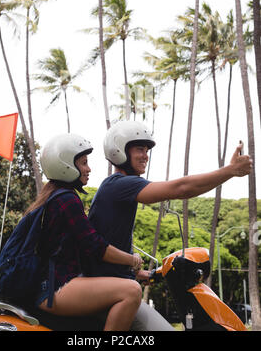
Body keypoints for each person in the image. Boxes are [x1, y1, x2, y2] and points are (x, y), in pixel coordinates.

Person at [86, 120, 253, 331]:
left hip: (113, 287)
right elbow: (182, 188)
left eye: (147, 150)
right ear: (119, 150)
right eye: (139, 149)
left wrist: (143, 274)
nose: (146, 155)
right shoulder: (119, 185)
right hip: (110, 292)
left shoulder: (115, 187)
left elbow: (106, 245)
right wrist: (230, 171)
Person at [26, 133, 143, 331]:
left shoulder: (54, 196)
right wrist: (132, 260)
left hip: (53, 284)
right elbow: (95, 246)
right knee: (131, 291)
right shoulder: (67, 200)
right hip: (56, 287)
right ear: (65, 165)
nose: (88, 169)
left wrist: (137, 271)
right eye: (83, 163)